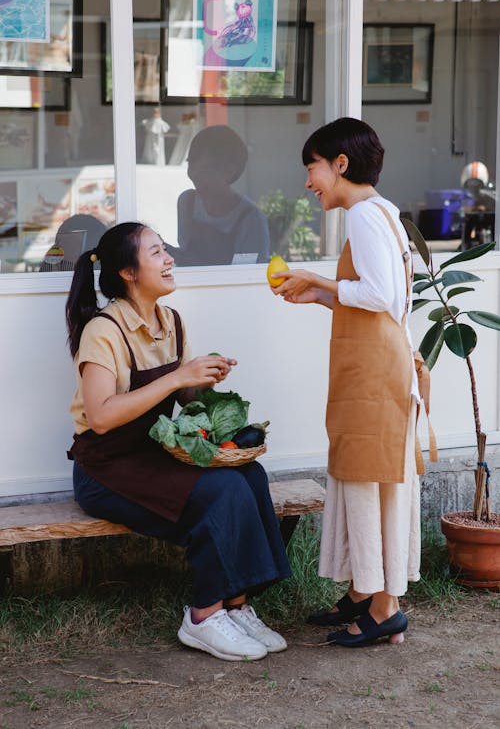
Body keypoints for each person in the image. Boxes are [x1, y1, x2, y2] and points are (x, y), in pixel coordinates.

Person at [66, 221, 290, 661]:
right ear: (128, 272)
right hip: (104, 468)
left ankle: (236, 603)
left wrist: (201, 380)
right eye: (156, 252)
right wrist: (177, 377)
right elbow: (102, 415)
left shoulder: (171, 321)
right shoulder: (104, 330)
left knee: (249, 474)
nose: (169, 259)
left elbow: (179, 395)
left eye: (165, 249)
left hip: (150, 453)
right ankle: (204, 616)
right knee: (220, 492)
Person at [271, 118, 421, 647]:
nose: (308, 181)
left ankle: (385, 607)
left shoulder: (362, 216)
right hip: (380, 364)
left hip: (376, 371)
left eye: (311, 167)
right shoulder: (381, 212)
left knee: (367, 479)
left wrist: (318, 279)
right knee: (365, 475)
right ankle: (365, 590)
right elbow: (381, 297)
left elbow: (378, 295)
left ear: (339, 164)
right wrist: (319, 296)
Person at [166, 125, 270, 265]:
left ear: (230, 171)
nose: (195, 175)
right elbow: (186, 255)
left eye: (205, 169)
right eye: (192, 165)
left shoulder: (250, 218)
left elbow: (249, 274)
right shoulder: (187, 202)